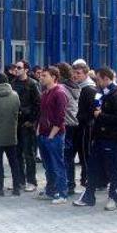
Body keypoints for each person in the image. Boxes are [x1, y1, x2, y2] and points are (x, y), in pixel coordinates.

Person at [74, 68, 117, 211]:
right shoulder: (101, 93)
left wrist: (101, 116)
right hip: (99, 138)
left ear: (106, 78)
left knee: (113, 170)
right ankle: (88, 196)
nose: (96, 82)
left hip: (112, 139)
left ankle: (114, 198)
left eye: (98, 79)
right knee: (92, 168)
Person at [36, 67, 69, 204]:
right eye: (41, 75)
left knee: (57, 164)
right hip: (43, 133)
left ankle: (62, 194)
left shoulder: (59, 93)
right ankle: (51, 190)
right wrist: (38, 129)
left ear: (54, 77)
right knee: (48, 165)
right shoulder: (45, 93)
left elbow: (60, 117)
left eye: (45, 75)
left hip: (54, 135)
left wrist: (51, 135)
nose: (41, 78)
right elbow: (42, 113)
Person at [11, 60, 41, 192]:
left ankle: (31, 181)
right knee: (17, 153)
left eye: (19, 67)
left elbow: (38, 104)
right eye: (15, 67)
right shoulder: (13, 83)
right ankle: (20, 180)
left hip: (27, 124)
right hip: (15, 123)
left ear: (26, 70)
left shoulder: (33, 84)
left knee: (29, 153)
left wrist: (32, 120)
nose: (16, 70)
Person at [72, 60, 97, 192]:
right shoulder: (79, 86)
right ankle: (83, 180)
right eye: (74, 72)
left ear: (86, 74)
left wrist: (80, 119)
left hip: (85, 128)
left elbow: (92, 111)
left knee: (85, 155)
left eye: (78, 73)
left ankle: (87, 181)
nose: (75, 75)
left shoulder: (89, 89)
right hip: (79, 126)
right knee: (80, 155)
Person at [57, 62, 81, 196]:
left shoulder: (62, 89)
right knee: (68, 157)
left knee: (64, 156)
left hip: (65, 124)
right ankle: (70, 184)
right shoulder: (73, 86)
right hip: (73, 123)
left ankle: (66, 185)